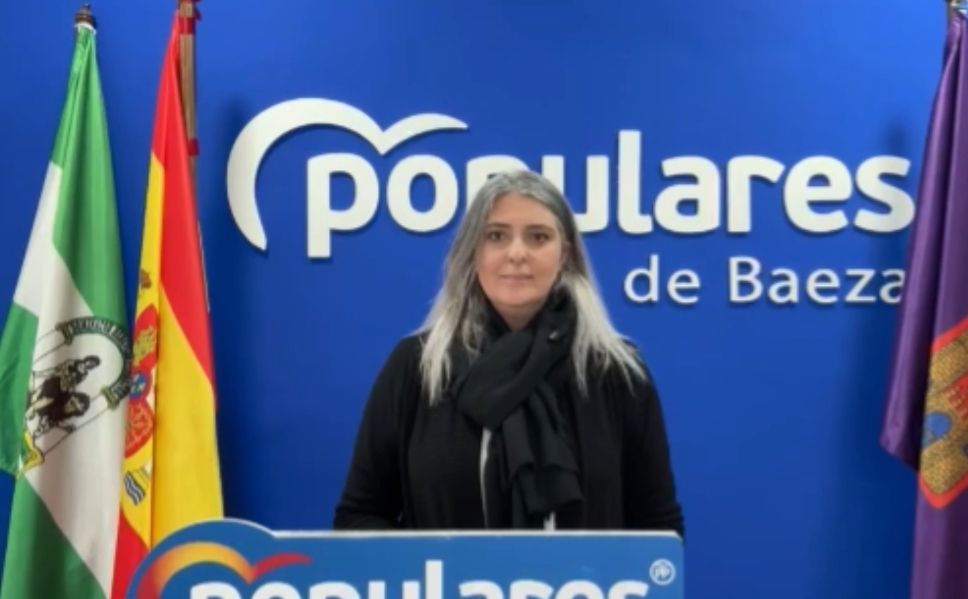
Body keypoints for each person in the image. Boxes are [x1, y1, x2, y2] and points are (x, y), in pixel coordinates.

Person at [333, 169, 683, 534]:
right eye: (496, 236)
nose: (517, 253)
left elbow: (658, 527)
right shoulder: (417, 367)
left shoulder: (616, 371)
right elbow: (359, 516)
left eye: (538, 237)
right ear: (473, 252)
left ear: (564, 255)